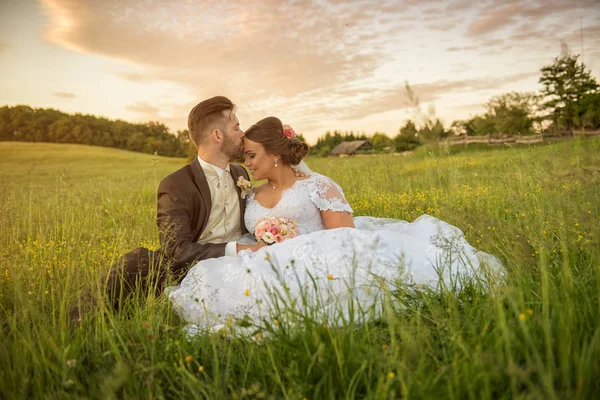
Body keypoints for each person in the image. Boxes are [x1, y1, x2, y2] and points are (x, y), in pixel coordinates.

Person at [167, 117, 503, 334]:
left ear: (275, 155)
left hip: (319, 257)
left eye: (252, 155)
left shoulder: (317, 185)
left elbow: (345, 237)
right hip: (267, 259)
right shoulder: (250, 194)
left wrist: (299, 245)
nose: (247, 163)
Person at [69, 96, 264, 323]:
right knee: (138, 261)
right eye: (237, 127)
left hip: (240, 263)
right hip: (195, 267)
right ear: (217, 135)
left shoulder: (240, 174)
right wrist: (237, 248)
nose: (243, 134)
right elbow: (177, 250)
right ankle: (78, 322)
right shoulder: (177, 184)